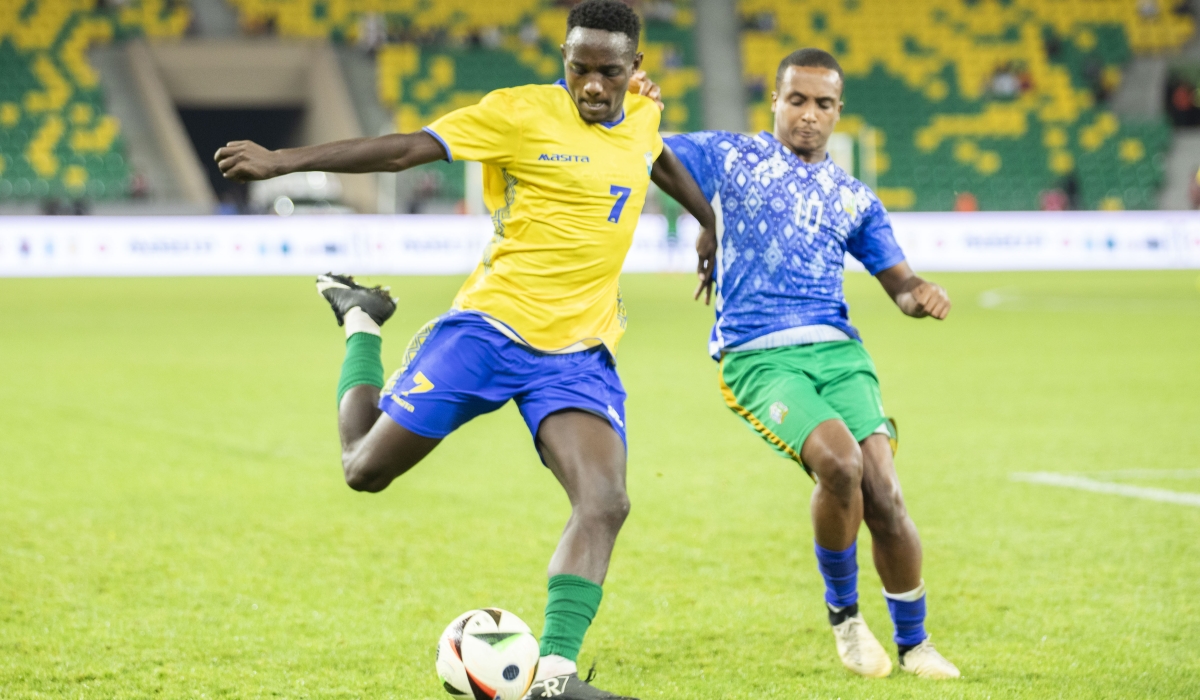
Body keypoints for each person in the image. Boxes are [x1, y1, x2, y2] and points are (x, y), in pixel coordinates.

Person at [213, 2, 715, 699]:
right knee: (364, 470)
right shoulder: (517, 114)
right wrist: (283, 161)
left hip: (577, 350)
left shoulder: (644, 114)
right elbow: (405, 148)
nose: (593, 86)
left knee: (605, 501)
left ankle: (556, 676)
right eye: (579, 69)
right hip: (488, 330)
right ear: (564, 63)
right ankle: (363, 323)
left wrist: (710, 223)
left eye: (609, 72)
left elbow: (657, 158)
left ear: (636, 71)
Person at [663, 48, 961, 680]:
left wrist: (920, 296)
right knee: (840, 462)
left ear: (838, 112)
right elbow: (653, 154)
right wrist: (706, 215)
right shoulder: (734, 156)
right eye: (795, 100)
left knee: (884, 490)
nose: (808, 115)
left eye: (823, 104)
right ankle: (846, 619)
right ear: (774, 100)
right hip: (758, 356)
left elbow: (900, 284)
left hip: (838, 352)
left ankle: (915, 643)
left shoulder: (854, 199)